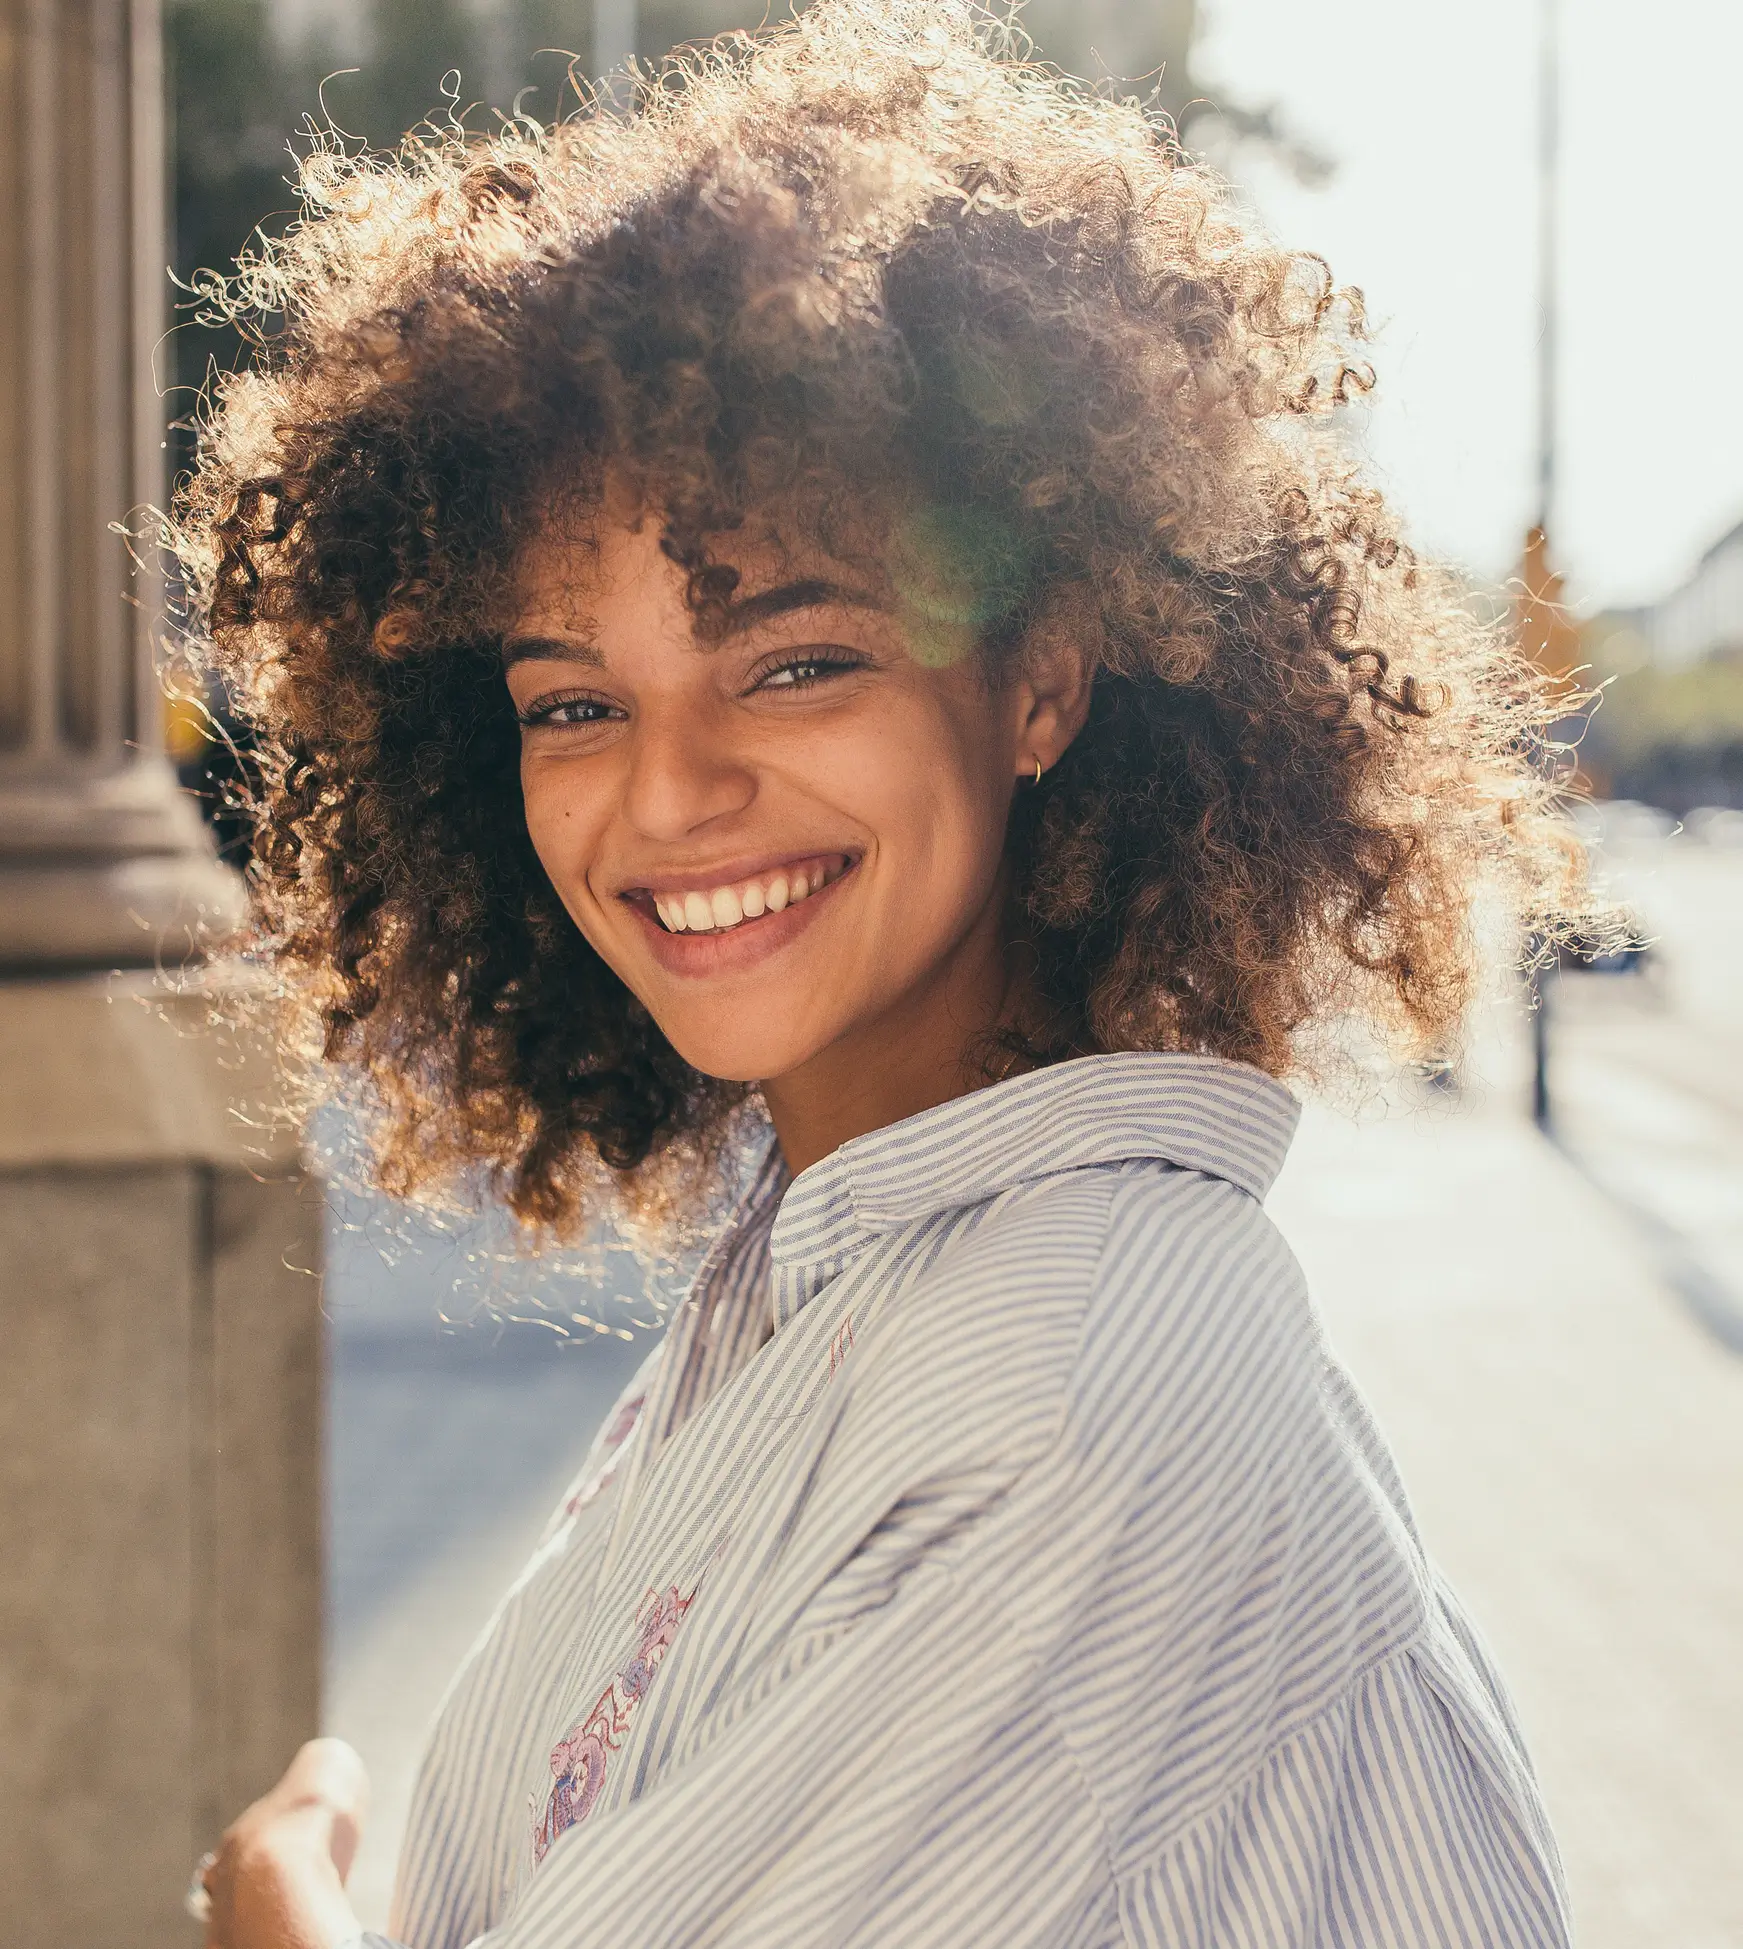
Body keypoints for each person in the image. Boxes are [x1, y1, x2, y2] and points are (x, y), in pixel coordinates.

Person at [177, 3, 1589, 1942]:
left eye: (796, 659)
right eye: (572, 700)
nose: (666, 792)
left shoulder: (1079, 1381)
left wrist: (275, 1909)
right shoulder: (845, 1263)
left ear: (1038, 677)